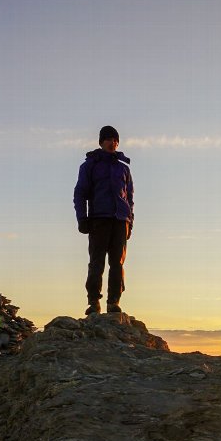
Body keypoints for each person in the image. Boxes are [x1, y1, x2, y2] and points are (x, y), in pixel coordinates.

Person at [73, 125, 134, 315]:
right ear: (101, 142)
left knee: (117, 264)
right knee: (96, 262)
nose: (112, 143)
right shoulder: (90, 165)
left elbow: (130, 198)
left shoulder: (124, 169)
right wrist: (82, 218)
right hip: (99, 219)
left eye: (115, 140)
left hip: (120, 221)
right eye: (108, 139)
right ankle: (93, 302)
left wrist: (130, 221)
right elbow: (80, 193)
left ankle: (113, 303)